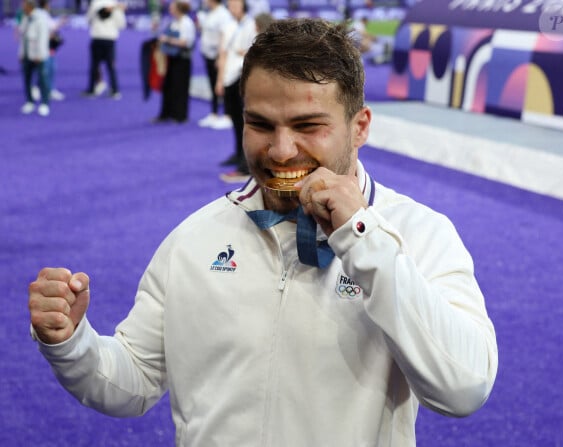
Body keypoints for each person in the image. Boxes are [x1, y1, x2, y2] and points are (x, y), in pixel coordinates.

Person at [28, 18, 498, 446]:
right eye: (260, 124)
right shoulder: (196, 238)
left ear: (360, 128)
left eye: (307, 125)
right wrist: (72, 343)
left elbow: (464, 388)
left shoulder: (418, 234)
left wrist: (363, 237)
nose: (280, 150)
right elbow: (132, 380)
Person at [215, 0, 256, 181]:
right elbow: (224, 53)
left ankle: (246, 165)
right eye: (230, 4)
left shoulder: (250, 24)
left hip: (241, 77)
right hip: (230, 77)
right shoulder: (231, 25)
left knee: (245, 122)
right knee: (235, 119)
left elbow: (254, 51)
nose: (231, 6)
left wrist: (245, 53)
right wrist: (220, 79)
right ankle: (239, 154)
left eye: (235, 4)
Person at [151, 0, 195, 123]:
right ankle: (166, 113)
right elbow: (162, 34)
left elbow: (185, 42)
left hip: (182, 59)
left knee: (180, 87)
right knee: (168, 86)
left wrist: (168, 40)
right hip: (171, 57)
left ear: (178, 9)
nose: (170, 10)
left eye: (172, 7)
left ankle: (180, 115)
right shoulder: (174, 21)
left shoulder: (187, 23)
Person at [196, 0, 234, 129]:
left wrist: (220, 56)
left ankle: (227, 114)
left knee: (222, 85)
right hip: (207, 54)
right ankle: (214, 113)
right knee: (212, 84)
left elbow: (225, 36)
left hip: (218, 55)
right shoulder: (210, 13)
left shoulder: (223, 14)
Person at [83, 0, 126, 99]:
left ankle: (91, 89)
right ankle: (115, 90)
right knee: (111, 66)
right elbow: (121, 24)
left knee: (95, 66)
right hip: (109, 39)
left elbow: (88, 20)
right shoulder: (115, 5)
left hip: (98, 38)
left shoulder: (95, 3)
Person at [18, 0, 51, 116]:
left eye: (24, 5)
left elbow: (43, 37)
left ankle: (44, 103)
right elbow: (23, 37)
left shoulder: (40, 17)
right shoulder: (25, 17)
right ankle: (30, 101)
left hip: (38, 55)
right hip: (27, 53)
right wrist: (21, 53)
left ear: (30, 6)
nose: (22, 7)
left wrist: (40, 55)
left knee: (42, 79)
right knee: (27, 79)